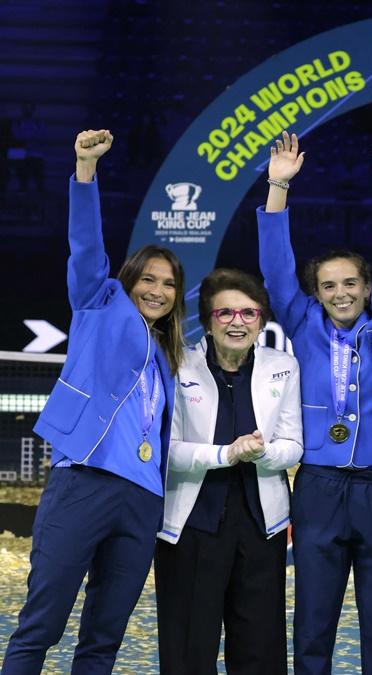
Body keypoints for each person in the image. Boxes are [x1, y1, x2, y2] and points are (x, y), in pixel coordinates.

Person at [3, 130, 185, 673]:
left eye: (169, 284)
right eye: (148, 279)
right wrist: (85, 170)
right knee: (42, 624)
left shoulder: (169, 356)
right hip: (83, 481)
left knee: (104, 637)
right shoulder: (97, 303)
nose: (157, 289)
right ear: (127, 281)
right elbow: (85, 246)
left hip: (143, 499)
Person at [256, 130, 372, 674]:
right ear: (315, 292)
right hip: (318, 487)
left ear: (368, 284)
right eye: (329, 285)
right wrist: (278, 187)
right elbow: (275, 266)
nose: (340, 293)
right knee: (313, 617)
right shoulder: (303, 320)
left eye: (351, 283)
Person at [154, 268, 302, 673]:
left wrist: (261, 453)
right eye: (225, 313)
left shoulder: (283, 366)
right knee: (188, 646)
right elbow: (166, 451)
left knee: (260, 647)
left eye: (249, 313)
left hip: (261, 527)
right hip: (191, 526)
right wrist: (225, 455)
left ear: (261, 320)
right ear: (207, 321)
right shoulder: (177, 364)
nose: (238, 322)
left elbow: (294, 445)